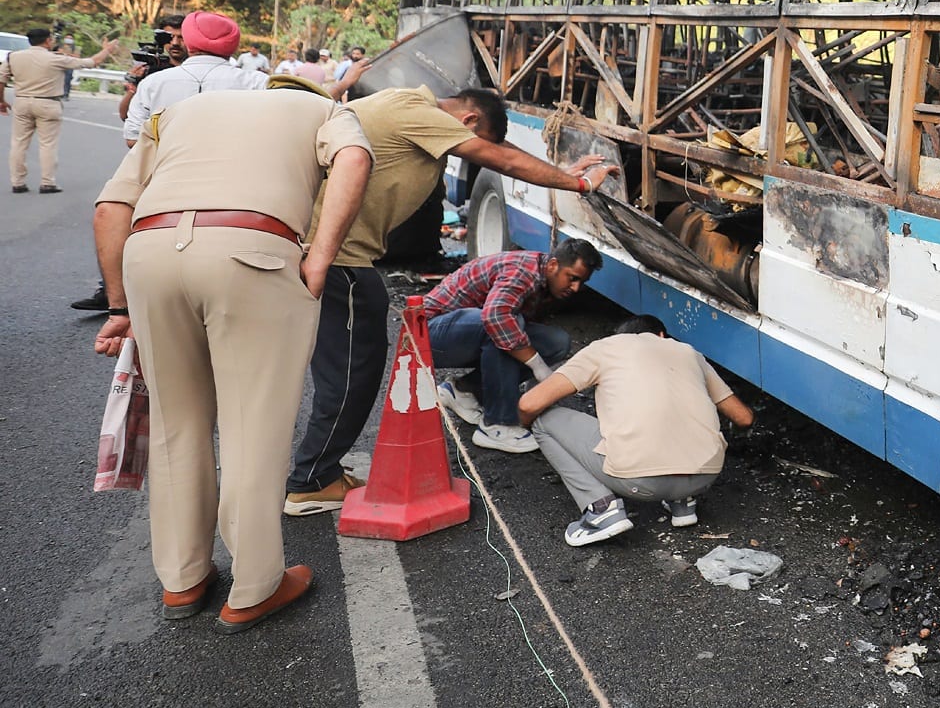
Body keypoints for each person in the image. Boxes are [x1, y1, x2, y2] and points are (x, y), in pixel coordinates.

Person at [92, 86, 373, 631]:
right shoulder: (327, 110)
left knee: (177, 425)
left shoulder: (176, 113)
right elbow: (354, 159)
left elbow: (110, 207)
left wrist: (120, 306)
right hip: (254, 249)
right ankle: (254, 585)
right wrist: (319, 258)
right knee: (254, 425)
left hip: (150, 253)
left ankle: (183, 580)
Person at [283, 86, 614, 515]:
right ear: (469, 121)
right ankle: (311, 480)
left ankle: (325, 469)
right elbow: (502, 159)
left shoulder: (412, 109)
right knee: (350, 376)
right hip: (341, 261)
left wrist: (559, 168)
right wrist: (579, 182)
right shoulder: (414, 109)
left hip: (340, 257)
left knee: (355, 372)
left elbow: (497, 149)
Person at [517, 315, 755, 544]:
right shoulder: (689, 352)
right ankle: (682, 502)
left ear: (620, 337)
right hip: (704, 477)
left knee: (543, 420)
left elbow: (529, 403)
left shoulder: (605, 347)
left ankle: (601, 510)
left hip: (641, 483)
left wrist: (526, 426)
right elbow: (743, 418)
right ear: (661, 335)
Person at [421, 239, 602, 453]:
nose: (576, 288)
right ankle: (497, 425)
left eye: (582, 282)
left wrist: (537, 389)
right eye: (572, 278)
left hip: (467, 333)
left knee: (556, 342)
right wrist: (538, 366)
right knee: (508, 323)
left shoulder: (548, 282)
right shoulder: (524, 271)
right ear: (553, 265)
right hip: (426, 336)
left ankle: (462, 390)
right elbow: (496, 316)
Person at [123, 11, 269, 146]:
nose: (175, 42)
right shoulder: (258, 82)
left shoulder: (152, 82)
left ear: (188, 40)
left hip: (167, 172)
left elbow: (133, 139)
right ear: (233, 44)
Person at [0, 28, 119, 193]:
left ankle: (17, 182)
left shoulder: (13, 57)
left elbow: (2, 79)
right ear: (48, 41)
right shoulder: (56, 59)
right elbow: (91, 62)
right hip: (48, 103)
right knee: (47, 144)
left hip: (21, 101)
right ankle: (47, 182)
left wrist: (1, 101)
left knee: (19, 143)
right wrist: (107, 49)